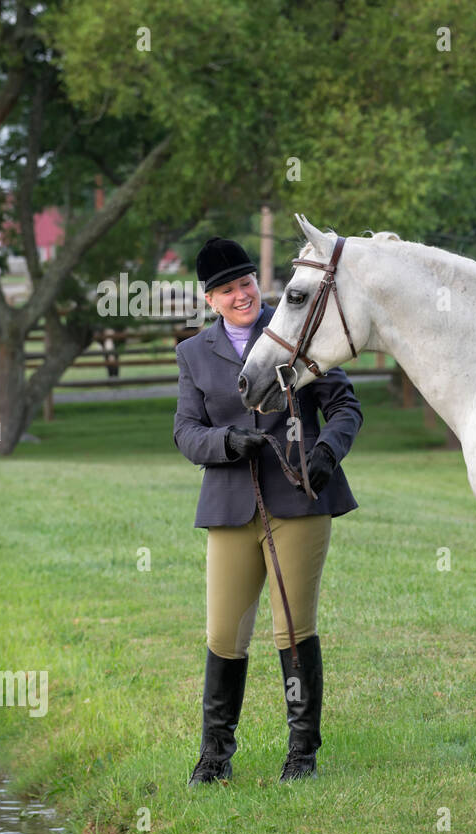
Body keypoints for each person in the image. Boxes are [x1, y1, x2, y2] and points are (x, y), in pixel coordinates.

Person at [173, 236, 363, 784]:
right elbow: (187, 433)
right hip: (230, 505)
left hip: (298, 500)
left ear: (259, 282)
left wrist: (327, 449)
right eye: (227, 290)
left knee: (293, 627)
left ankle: (302, 753)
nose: (241, 296)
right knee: (223, 633)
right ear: (210, 300)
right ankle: (214, 757)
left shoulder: (297, 329)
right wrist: (229, 443)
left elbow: (345, 405)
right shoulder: (192, 355)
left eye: (246, 283)